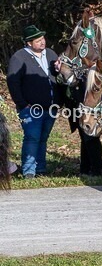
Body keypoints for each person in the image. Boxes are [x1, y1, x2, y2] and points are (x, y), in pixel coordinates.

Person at [6, 25, 58, 178]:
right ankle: (29, 171)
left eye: (42, 39)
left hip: (51, 106)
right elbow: (13, 82)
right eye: (38, 41)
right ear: (29, 43)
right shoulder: (19, 57)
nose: (42, 43)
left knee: (43, 138)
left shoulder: (50, 54)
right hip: (30, 108)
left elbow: (56, 76)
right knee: (32, 137)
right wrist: (22, 103)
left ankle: (41, 169)